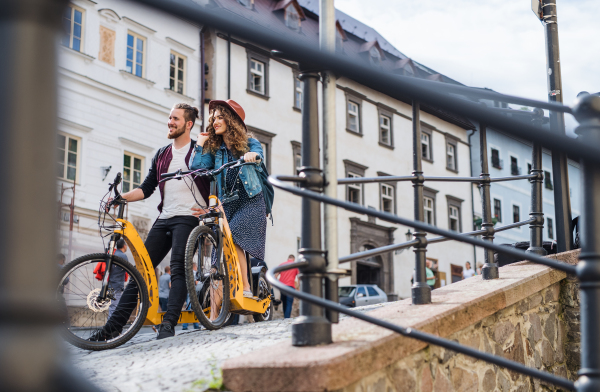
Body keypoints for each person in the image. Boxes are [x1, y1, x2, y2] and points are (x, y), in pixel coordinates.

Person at [89, 102, 210, 341]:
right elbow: (146, 188)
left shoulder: (200, 150)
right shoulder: (162, 154)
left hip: (189, 217)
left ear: (188, 124)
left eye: (175, 119)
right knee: (140, 271)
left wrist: (208, 209)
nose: (170, 122)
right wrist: (120, 197)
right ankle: (112, 328)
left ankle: (169, 323)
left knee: (179, 267)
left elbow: (212, 178)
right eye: (169, 118)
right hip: (165, 217)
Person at [191, 99, 267, 300]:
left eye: (220, 117)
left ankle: (246, 286)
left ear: (231, 121)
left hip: (250, 200)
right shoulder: (215, 150)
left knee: (234, 238)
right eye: (213, 118)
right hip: (228, 203)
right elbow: (197, 168)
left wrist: (251, 156)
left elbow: (258, 155)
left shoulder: (250, 143)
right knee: (220, 242)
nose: (215, 121)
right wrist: (200, 144)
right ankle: (219, 297)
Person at [181, 262, 200, 330]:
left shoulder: (187, 272)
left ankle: (195, 325)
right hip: (192, 292)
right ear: (195, 267)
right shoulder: (194, 273)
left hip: (186, 291)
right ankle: (185, 325)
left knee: (190, 307)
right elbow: (196, 283)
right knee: (190, 308)